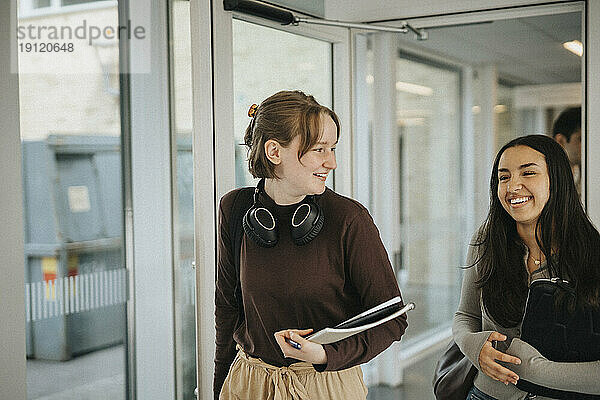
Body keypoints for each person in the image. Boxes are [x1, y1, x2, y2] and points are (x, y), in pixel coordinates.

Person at [214, 90, 408, 399]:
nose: (330, 162)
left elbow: (393, 321)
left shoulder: (349, 219)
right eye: (319, 149)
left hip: (325, 385)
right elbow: (227, 308)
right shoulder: (234, 209)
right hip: (248, 383)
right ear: (274, 152)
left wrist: (323, 354)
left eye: (332, 148)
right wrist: (217, 387)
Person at [453, 134, 600, 400]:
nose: (512, 187)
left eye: (528, 173)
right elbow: (466, 316)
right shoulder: (486, 241)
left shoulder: (592, 254)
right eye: (504, 177)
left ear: (556, 180)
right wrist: (474, 347)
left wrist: (536, 370)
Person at [552, 106, 581, 193]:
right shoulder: (549, 180)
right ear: (561, 141)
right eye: (581, 139)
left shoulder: (580, 175)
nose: (588, 147)